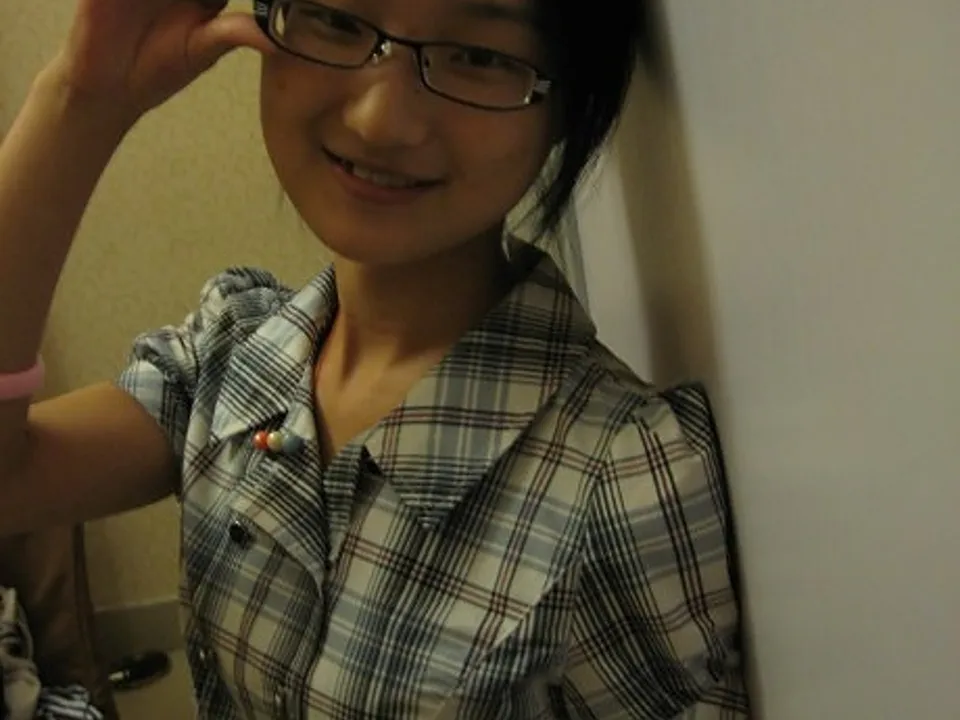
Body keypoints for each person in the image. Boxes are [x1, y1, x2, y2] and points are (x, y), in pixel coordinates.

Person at [0, 0, 749, 717]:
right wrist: (81, 99)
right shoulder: (231, 353)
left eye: (479, 56)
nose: (379, 120)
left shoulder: (623, 481)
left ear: (566, 104)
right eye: (335, 18)